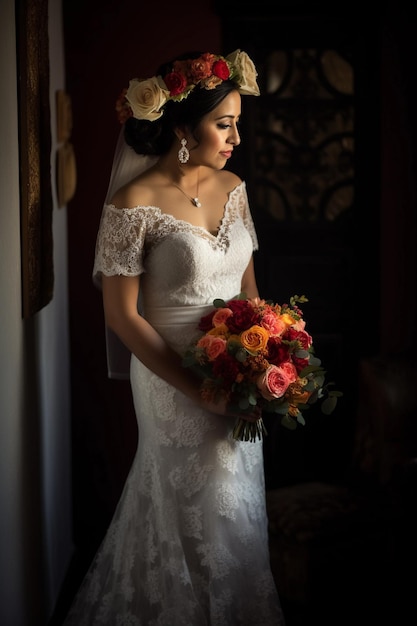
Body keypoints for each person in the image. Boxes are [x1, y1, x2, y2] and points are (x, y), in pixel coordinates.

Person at [64, 49, 286, 625]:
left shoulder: (234, 187)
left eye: (239, 122)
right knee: (190, 502)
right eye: (224, 124)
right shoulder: (131, 204)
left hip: (239, 369)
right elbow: (122, 316)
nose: (237, 136)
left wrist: (270, 359)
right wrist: (197, 387)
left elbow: (251, 295)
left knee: (236, 503)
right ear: (183, 128)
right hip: (169, 378)